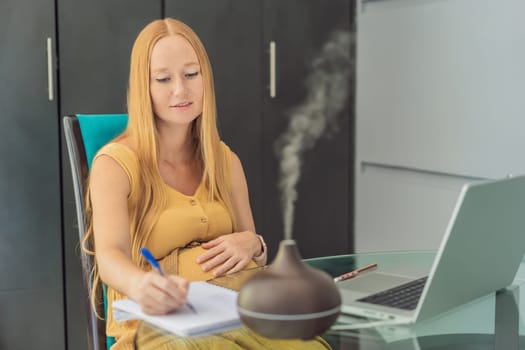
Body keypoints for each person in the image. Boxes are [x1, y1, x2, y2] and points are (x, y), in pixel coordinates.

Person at [85, 18, 330, 350]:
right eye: (163, 79)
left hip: (239, 314)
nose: (180, 90)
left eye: (191, 74)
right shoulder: (114, 165)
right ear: (143, 87)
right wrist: (140, 284)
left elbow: (253, 251)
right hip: (161, 328)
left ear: (206, 79)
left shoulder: (225, 161)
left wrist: (254, 244)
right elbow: (110, 256)